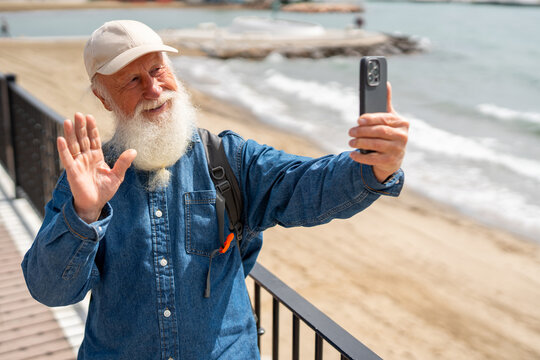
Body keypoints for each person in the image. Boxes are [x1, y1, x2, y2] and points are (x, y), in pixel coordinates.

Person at [21, 20, 408, 360]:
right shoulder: (86, 181)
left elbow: (304, 184)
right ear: (103, 98)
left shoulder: (228, 159)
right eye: (133, 81)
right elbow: (51, 291)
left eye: (158, 70)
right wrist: (85, 214)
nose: (154, 89)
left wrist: (375, 166)